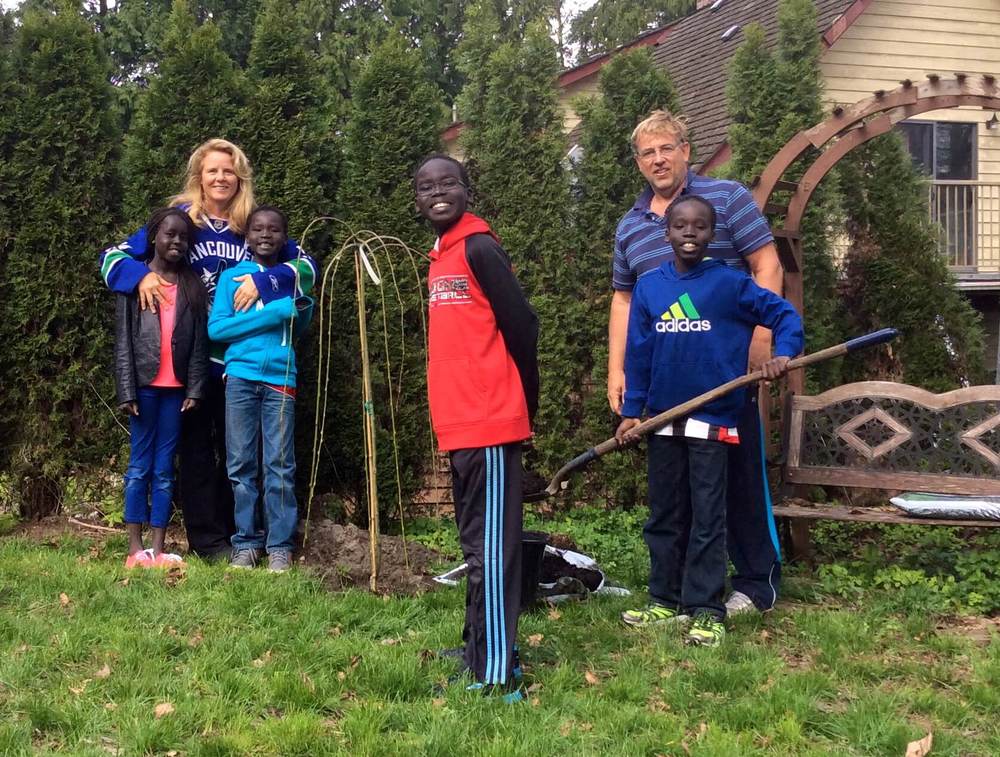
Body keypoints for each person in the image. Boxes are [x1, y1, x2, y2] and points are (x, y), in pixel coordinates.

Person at [99, 139, 317, 560]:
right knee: (197, 451)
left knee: (241, 456)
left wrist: (266, 282)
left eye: (229, 171)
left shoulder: (251, 223)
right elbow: (112, 257)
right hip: (189, 359)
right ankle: (208, 542)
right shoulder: (180, 221)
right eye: (212, 170)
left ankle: (245, 539)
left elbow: (306, 267)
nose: (220, 178)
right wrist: (138, 278)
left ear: (240, 178)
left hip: (240, 359)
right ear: (198, 176)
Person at [607, 110, 786, 615]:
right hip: (667, 383)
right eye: (648, 152)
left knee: (740, 475)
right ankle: (684, 590)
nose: (659, 159)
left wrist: (762, 335)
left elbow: (766, 264)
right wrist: (616, 370)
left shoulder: (727, 199)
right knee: (678, 493)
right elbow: (623, 300)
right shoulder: (631, 225)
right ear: (639, 163)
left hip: (724, 374)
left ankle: (756, 583)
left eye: (667, 148)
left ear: (686, 149)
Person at [615, 195, 803, 646]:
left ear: (713, 235)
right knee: (665, 514)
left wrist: (782, 353)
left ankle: (705, 608)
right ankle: (665, 598)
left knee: (708, 517)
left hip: (714, 420)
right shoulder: (651, 287)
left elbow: (782, 313)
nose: (689, 234)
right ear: (667, 233)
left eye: (700, 227)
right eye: (680, 226)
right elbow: (638, 354)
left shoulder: (729, 284)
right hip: (663, 420)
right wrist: (630, 413)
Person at [414, 154, 539, 701]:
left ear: (467, 190)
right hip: (459, 421)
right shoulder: (440, 256)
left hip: (488, 421)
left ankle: (497, 672)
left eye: (448, 183)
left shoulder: (480, 248)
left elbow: (523, 325)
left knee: (492, 548)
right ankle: (476, 647)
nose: (437, 192)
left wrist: (519, 405)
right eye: (425, 187)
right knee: (474, 543)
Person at [208, 206, 312, 573]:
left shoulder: (293, 279)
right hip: (239, 378)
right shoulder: (231, 279)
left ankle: (280, 546)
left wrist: (292, 309)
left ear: (285, 238)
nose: (265, 235)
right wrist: (273, 313)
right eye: (257, 229)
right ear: (246, 237)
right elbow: (217, 331)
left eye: (274, 229)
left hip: (281, 378)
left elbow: (299, 323)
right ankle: (247, 544)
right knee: (240, 463)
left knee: (280, 464)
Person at [114, 208, 209, 569]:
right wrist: (126, 390)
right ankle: (134, 547)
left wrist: (196, 388)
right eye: (169, 235)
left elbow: (199, 343)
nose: (176, 242)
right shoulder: (134, 283)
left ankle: (158, 545)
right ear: (154, 236)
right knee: (140, 466)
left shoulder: (192, 286)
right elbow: (123, 342)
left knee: (165, 467)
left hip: (175, 392)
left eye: (183, 237)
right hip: (143, 388)